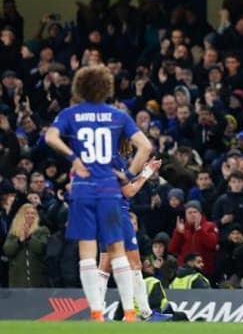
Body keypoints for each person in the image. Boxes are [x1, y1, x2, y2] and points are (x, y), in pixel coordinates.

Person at [44, 65, 153, 322]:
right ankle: (129, 311)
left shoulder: (71, 113)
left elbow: (50, 136)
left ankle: (96, 312)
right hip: (109, 190)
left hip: (83, 190)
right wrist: (127, 173)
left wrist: (72, 157)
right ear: (107, 87)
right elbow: (145, 147)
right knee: (118, 251)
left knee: (87, 254)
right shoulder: (117, 115)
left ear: (78, 87)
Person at [96, 143, 165, 321]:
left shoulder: (103, 160)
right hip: (118, 214)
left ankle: (96, 312)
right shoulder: (115, 160)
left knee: (105, 265)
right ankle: (145, 313)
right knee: (135, 265)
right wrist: (146, 173)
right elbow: (129, 191)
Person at [2, 203, 50, 287]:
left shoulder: (43, 230)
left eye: (33, 213)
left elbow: (41, 248)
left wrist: (29, 237)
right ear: (21, 215)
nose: (30, 215)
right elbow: (7, 251)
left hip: (38, 280)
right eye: (27, 213)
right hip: (17, 280)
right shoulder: (14, 233)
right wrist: (19, 240)